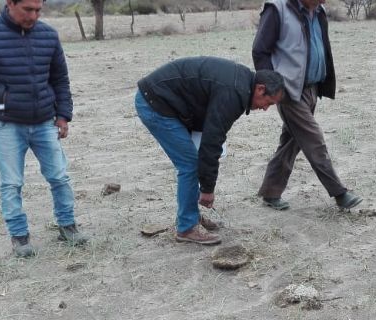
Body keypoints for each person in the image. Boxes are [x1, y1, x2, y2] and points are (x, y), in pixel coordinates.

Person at [0, 0, 88, 257]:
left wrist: (63, 115)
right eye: (28, 9)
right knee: (11, 183)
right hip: (6, 123)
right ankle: (19, 237)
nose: (34, 15)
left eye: (38, 10)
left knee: (60, 177)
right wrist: (2, 95)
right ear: (10, 4)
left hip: (44, 122)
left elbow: (59, 78)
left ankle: (67, 226)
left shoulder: (48, 35)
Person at [135, 57, 285, 245]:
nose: (265, 108)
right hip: (156, 103)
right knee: (189, 164)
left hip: (169, 101)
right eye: (268, 102)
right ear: (260, 89)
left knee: (193, 161)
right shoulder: (233, 93)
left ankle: (191, 217)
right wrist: (207, 189)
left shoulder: (242, 84)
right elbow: (212, 141)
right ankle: (187, 228)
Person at [252, 0, 362, 211]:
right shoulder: (277, 9)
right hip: (288, 91)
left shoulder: (318, 11)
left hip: (311, 88)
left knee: (292, 141)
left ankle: (271, 192)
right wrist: (273, 86)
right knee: (313, 139)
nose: (325, 0)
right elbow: (260, 51)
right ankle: (340, 193)